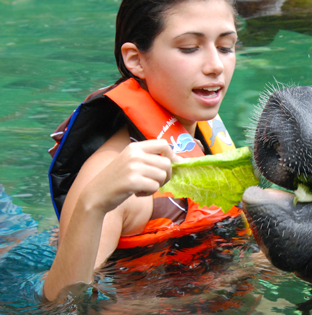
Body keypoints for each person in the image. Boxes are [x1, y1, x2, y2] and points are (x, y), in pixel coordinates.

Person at [43, 0, 239, 301]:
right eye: (189, 47)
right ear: (135, 59)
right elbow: (57, 304)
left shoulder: (204, 139)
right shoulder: (111, 178)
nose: (215, 66)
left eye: (226, 47)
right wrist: (93, 203)